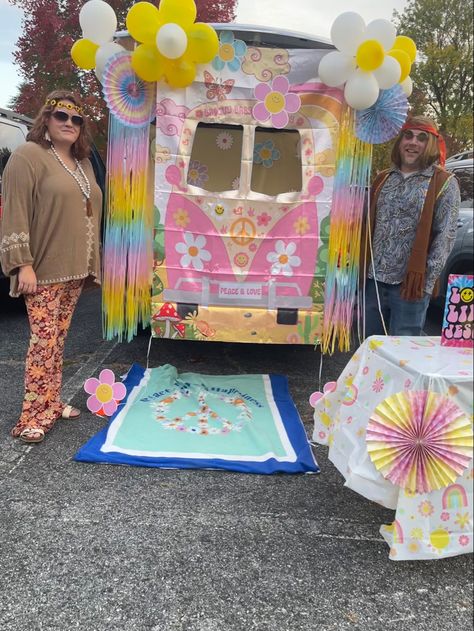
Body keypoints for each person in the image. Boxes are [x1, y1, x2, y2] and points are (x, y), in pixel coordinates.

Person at [0, 90, 102, 443]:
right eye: (62, 116)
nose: (69, 123)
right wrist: (21, 264)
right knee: (43, 343)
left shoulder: (82, 162)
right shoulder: (29, 156)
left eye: (77, 119)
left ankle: (51, 403)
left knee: (58, 341)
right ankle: (31, 415)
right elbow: (14, 212)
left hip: (74, 268)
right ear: (46, 118)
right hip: (42, 269)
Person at [362, 114, 461, 337]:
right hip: (373, 282)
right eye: (408, 136)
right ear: (400, 141)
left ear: (431, 144)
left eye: (422, 138)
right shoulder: (384, 178)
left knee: (403, 354)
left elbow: (445, 237)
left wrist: (424, 286)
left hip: (409, 287)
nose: (413, 142)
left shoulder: (444, 182)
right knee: (369, 347)